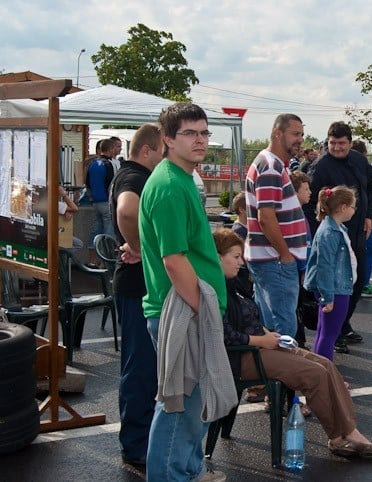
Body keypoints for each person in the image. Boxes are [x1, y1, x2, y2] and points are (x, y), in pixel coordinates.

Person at [213, 228, 372, 458]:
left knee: (325, 365)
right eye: (235, 257)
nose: (241, 262)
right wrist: (263, 339)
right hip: (241, 357)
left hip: (258, 347)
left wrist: (271, 336)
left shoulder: (234, 284)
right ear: (217, 257)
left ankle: (351, 432)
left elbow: (249, 320)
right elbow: (225, 336)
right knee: (314, 373)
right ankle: (336, 437)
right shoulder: (215, 290)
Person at [139, 102, 231, 482]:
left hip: (185, 309)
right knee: (179, 404)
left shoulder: (179, 179)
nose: (200, 140)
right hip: (180, 312)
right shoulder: (170, 186)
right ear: (167, 139)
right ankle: (169, 477)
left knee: (191, 405)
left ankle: (189, 471)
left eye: (204, 132)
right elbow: (174, 260)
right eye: (190, 133)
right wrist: (200, 312)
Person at [108, 124, 164, 467]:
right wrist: (143, 249)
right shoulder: (135, 177)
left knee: (146, 368)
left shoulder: (132, 174)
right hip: (137, 287)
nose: (165, 158)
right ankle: (136, 447)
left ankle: (142, 443)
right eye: (162, 151)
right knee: (141, 368)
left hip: (137, 285)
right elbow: (127, 210)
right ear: (147, 150)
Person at [308, 122, 372, 354]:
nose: (336, 147)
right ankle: (335, 331)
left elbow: (369, 188)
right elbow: (311, 204)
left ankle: (342, 324)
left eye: (341, 143)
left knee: (358, 279)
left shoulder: (358, 160)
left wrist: (368, 215)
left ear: (349, 142)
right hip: (334, 232)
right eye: (332, 143)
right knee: (338, 284)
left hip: (356, 229)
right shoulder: (320, 166)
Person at [244, 114, 307, 337]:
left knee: (269, 325)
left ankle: (272, 370)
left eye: (301, 134)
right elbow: (266, 217)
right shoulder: (270, 166)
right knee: (284, 329)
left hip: (270, 259)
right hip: (275, 260)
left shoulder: (271, 163)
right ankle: (283, 371)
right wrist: (285, 254)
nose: (299, 139)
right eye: (294, 134)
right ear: (277, 133)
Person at [303, 186, 357, 361]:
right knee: (329, 334)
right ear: (343, 207)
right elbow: (325, 266)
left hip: (335, 287)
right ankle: (327, 378)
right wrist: (328, 296)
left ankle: (321, 374)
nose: (354, 210)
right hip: (335, 289)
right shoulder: (330, 232)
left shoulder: (334, 228)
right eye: (353, 206)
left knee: (323, 331)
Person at [351, 140, 372, 298]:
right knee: (370, 250)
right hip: (357, 218)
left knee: (363, 251)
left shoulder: (352, 168)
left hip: (359, 216)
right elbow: (367, 195)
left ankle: (359, 283)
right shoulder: (361, 168)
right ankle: (362, 284)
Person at [290, 170, 313, 349]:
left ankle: (300, 339)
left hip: (300, 269)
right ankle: (297, 342)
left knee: (297, 307)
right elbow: (301, 246)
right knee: (295, 307)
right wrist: (304, 268)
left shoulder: (300, 213)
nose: (309, 192)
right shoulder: (294, 215)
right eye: (305, 189)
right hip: (295, 270)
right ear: (295, 192)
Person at [85, 138, 116, 267]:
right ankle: (104, 262)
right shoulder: (109, 164)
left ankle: (92, 259)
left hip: (95, 202)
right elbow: (112, 183)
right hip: (106, 201)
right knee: (108, 231)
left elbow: (87, 182)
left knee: (95, 230)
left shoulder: (92, 164)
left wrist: (92, 197)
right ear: (111, 149)